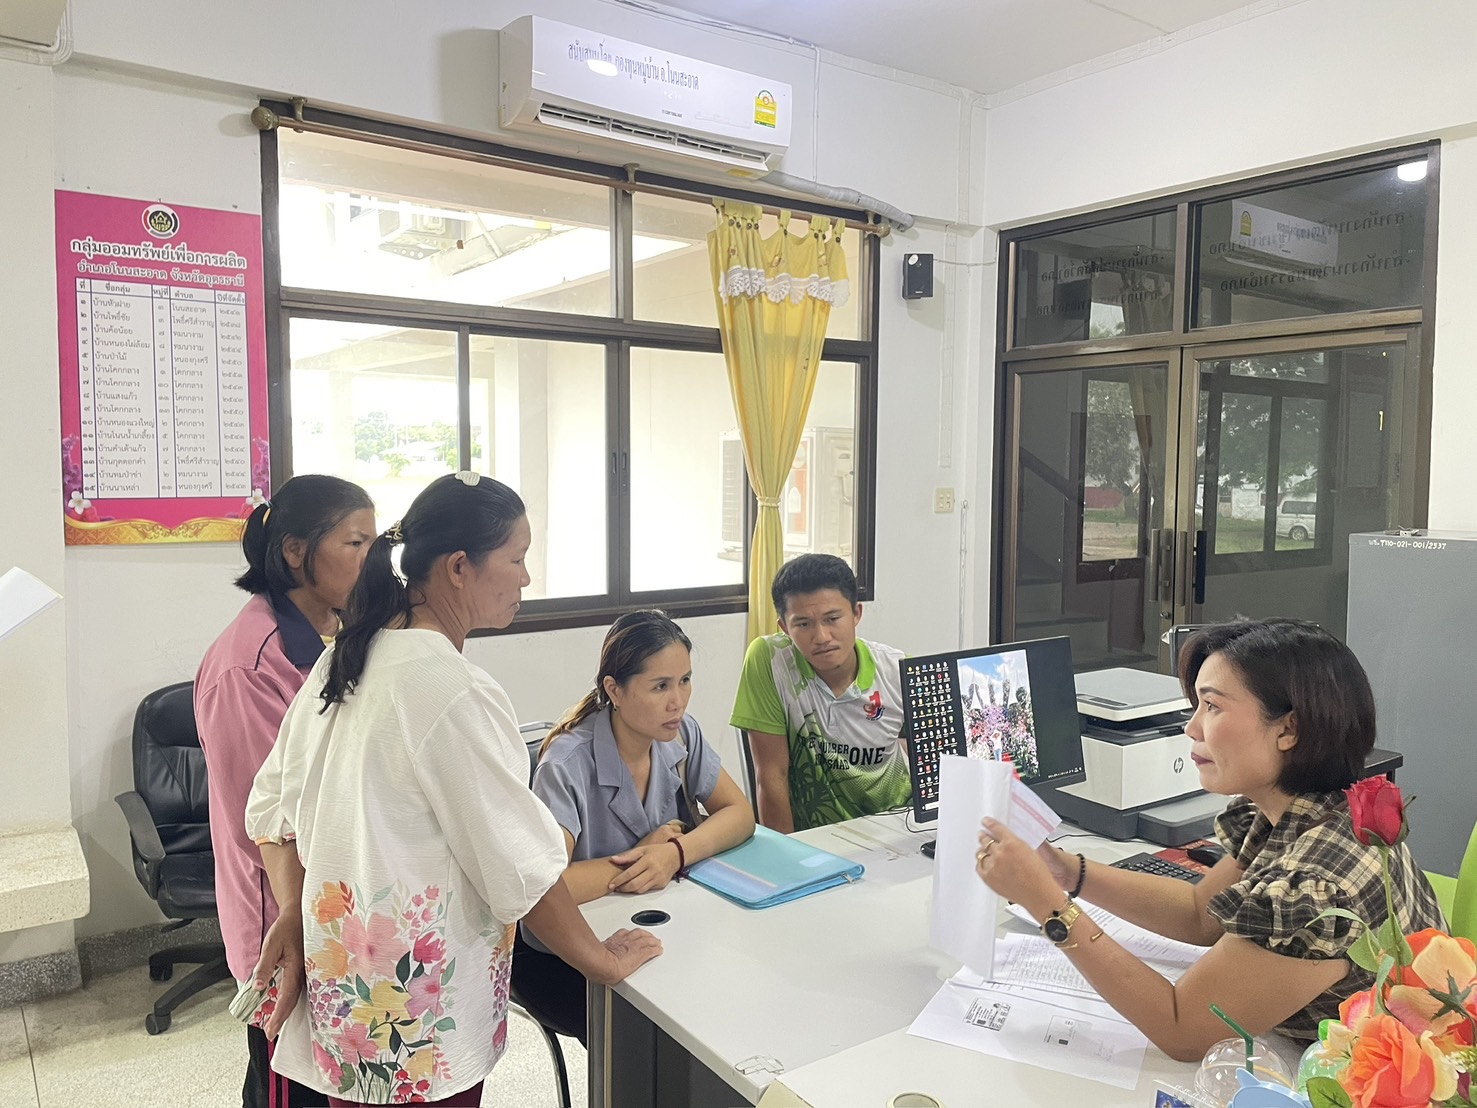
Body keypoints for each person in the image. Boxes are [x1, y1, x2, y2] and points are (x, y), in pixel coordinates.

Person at [245, 473, 661, 1108]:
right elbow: (519, 865)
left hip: (348, 1002)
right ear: (460, 567)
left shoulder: (346, 658)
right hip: (419, 1020)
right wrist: (600, 964)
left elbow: (271, 811)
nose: (526, 578)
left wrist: (295, 911)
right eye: (517, 559)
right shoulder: (449, 687)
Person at [973, 618, 1446, 1061]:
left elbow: (1185, 1030)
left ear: (1289, 728)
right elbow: (1201, 913)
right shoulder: (1309, 808)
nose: (1192, 727)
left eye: (1213, 706)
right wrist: (1065, 871)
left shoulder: (1317, 882)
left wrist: (1049, 906)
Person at [196, 474, 375, 1108]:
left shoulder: (332, 636)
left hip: (330, 906)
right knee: (285, 1084)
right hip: (284, 916)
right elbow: (272, 816)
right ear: (297, 551)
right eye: (355, 543)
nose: (371, 559)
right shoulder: (249, 666)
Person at [512, 610, 756, 1043]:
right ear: (614, 690)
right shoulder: (566, 764)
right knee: (649, 1033)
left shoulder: (681, 736)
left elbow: (739, 815)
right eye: (660, 686)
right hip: (559, 955)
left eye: (685, 680)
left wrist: (675, 854)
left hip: (652, 924)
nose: (677, 701)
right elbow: (545, 888)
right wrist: (643, 855)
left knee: (730, 991)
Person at [730, 553, 910, 832]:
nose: (822, 637)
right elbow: (771, 775)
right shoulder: (770, 660)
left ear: (856, 614)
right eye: (803, 624)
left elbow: (934, 771)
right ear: (784, 627)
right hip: (815, 837)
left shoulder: (898, 670)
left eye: (832, 618)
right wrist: (789, 858)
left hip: (895, 826)